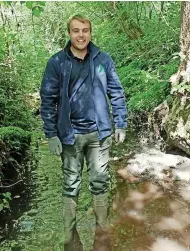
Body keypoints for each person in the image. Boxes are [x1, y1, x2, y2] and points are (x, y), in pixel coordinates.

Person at [40, 14, 127, 251]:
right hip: (70, 135)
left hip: (99, 134)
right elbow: (48, 100)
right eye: (76, 30)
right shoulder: (57, 62)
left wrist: (120, 123)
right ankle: (69, 234)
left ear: (90, 32)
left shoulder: (103, 59)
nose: (81, 35)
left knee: (100, 181)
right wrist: (51, 134)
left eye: (85, 30)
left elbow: (116, 92)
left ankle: (102, 228)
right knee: (71, 183)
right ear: (69, 33)